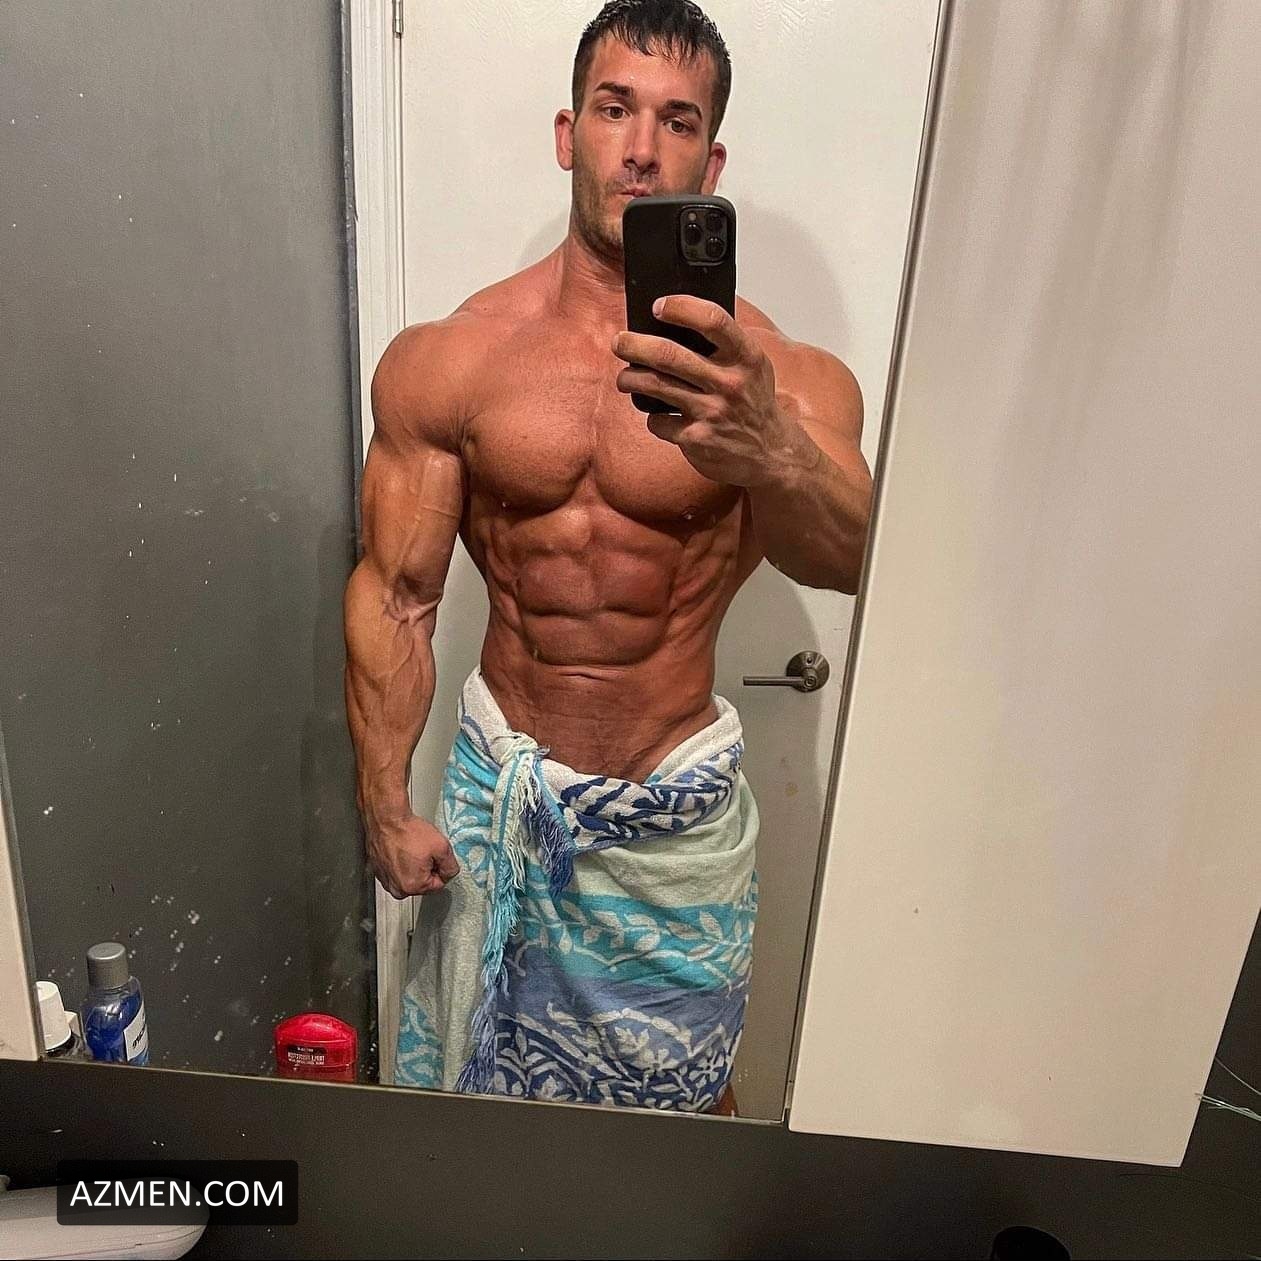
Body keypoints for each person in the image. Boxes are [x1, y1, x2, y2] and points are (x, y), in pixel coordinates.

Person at [344, 0, 871, 1113]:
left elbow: (855, 560)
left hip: (673, 826)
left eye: (677, 121)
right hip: (502, 800)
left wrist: (769, 449)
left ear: (710, 161)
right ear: (566, 133)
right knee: (474, 1117)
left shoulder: (783, 378)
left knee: (682, 1117)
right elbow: (396, 597)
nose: (640, 148)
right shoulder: (452, 358)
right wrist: (385, 801)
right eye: (613, 108)